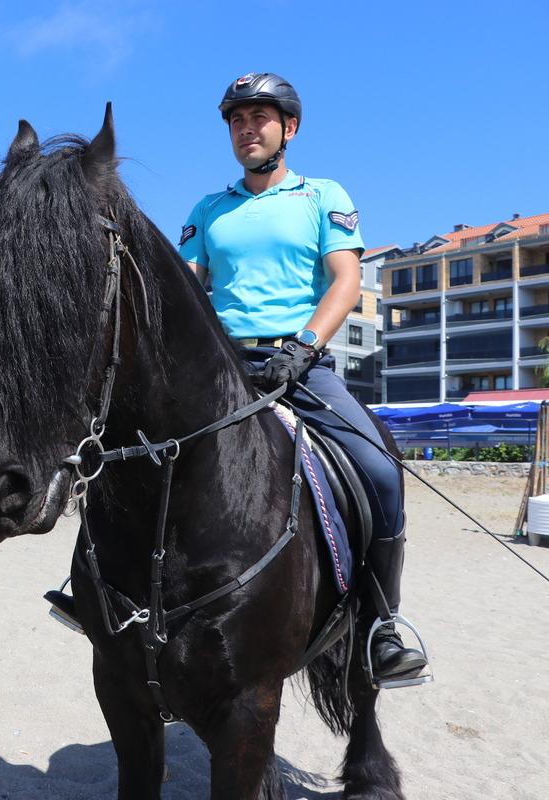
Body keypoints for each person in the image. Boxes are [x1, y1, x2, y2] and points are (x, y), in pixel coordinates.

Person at [177, 72, 427, 681]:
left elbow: (344, 280)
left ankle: (380, 625)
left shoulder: (322, 196)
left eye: (259, 117)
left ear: (289, 127)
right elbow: (186, 290)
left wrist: (304, 346)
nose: (246, 129)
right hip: (224, 367)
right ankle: (103, 592)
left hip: (300, 364)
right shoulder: (209, 209)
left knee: (379, 470)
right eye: (236, 120)